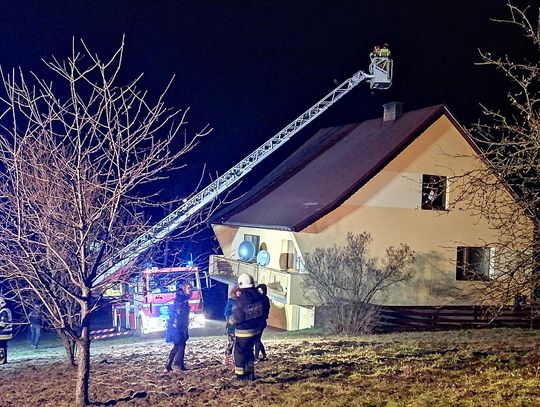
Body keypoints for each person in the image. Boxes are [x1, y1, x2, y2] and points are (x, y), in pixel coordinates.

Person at [228, 273, 265, 380]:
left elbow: (239, 316)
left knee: (239, 352)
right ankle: (250, 374)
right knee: (249, 350)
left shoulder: (243, 299)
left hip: (243, 331)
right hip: (255, 329)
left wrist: (231, 321)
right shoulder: (258, 297)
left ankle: (240, 375)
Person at [164, 280, 192, 372]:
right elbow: (179, 314)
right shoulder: (181, 300)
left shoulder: (183, 299)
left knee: (180, 345)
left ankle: (173, 364)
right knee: (178, 345)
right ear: (184, 289)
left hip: (180, 326)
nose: (190, 290)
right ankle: (175, 365)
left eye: (191, 288)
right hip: (178, 326)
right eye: (189, 288)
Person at [223, 285, 240, 365]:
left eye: (241, 291)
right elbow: (227, 312)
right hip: (232, 326)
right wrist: (231, 319)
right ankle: (226, 356)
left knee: (238, 344)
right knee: (231, 343)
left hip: (240, 326)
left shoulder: (243, 301)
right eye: (238, 291)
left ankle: (236, 359)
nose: (239, 293)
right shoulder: (231, 301)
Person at [254, 284, 270, 362]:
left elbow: (265, 311)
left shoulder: (264, 299)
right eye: (258, 290)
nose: (260, 292)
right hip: (257, 322)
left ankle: (256, 356)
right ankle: (263, 355)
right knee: (257, 339)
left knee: (257, 339)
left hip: (261, 322)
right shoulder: (257, 299)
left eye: (261, 290)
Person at [0, 295, 13, 365]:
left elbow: (3, 324)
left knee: (1, 347)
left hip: (3, 333)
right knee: (3, 346)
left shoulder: (4, 311)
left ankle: (2, 360)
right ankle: (3, 360)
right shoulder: (5, 310)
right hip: (4, 333)